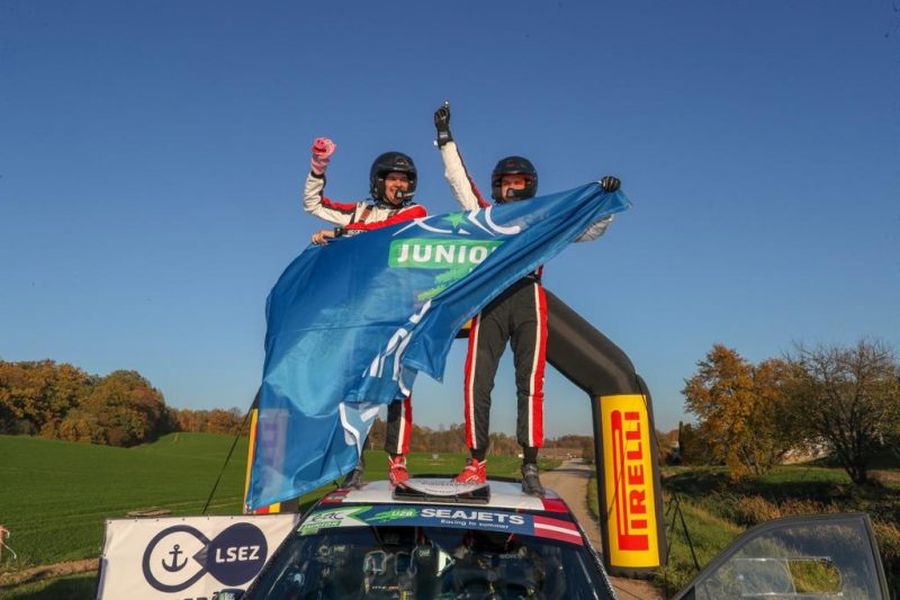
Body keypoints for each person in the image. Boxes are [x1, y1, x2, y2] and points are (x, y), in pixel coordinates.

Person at [433, 103, 621, 495]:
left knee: (530, 384)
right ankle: (475, 462)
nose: (512, 189)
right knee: (475, 383)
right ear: (496, 187)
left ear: (531, 186)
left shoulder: (545, 221)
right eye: (505, 183)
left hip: (528, 299)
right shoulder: (484, 215)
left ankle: (530, 465)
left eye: (519, 183)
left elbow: (587, 229)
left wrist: (605, 203)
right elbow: (459, 183)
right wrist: (445, 139)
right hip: (489, 301)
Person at [304, 137, 427, 487]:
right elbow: (312, 203)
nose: (398, 185)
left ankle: (397, 461)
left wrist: (342, 233)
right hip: (358, 310)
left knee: (399, 385)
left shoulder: (415, 213)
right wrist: (319, 166)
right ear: (379, 181)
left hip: (400, 309)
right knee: (354, 384)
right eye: (392, 178)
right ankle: (352, 460)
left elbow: (386, 234)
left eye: (404, 179)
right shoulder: (359, 210)